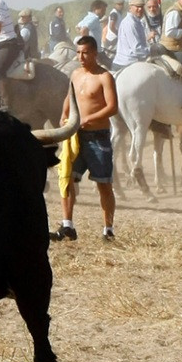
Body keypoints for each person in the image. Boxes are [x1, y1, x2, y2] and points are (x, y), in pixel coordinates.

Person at [51, 35, 118, 242]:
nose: (81, 57)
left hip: (97, 138)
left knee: (103, 185)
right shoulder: (75, 74)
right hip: (75, 136)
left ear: (95, 53)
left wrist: (88, 118)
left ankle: (108, 228)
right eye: (78, 52)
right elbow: (69, 98)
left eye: (85, 52)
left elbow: (112, 107)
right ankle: (67, 225)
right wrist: (64, 115)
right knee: (67, 178)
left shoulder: (104, 77)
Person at [112, 0, 150, 70]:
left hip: (130, 63)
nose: (140, 9)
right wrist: (151, 50)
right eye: (137, 6)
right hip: (126, 64)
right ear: (130, 8)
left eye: (142, 7)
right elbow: (136, 48)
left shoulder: (137, 22)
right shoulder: (130, 23)